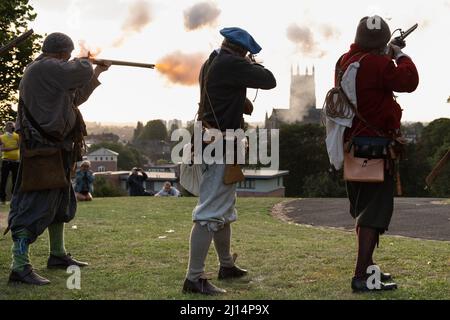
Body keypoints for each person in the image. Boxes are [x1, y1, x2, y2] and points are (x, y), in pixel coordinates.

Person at [5, 32, 110, 285]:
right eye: (69, 55)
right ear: (63, 53)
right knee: (32, 206)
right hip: (42, 150)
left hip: (57, 149)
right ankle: (19, 266)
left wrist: (97, 73)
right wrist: (87, 58)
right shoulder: (44, 68)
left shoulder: (53, 73)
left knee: (60, 203)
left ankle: (58, 255)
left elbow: (76, 97)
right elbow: (79, 70)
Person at [182, 27, 276, 295]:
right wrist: (247, 64)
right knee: (210, 212)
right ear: (242, 51)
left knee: (223, 210)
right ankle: (194, 278)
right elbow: (269, 80)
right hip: (220, 143)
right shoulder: (231, 63)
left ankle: (226, 266)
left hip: (215, 139)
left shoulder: (212, 61)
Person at [339, 16, 419, 292]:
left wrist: (385, 52)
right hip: (375, 147)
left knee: (364, 211)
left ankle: (369, 269)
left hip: (352, 145)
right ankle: (362, 276)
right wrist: (399, 54)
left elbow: (367, 77)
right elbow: (409, 80)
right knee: (373, 213)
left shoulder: (345, 61)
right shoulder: (379, 63)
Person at [0, 121, 20, 204]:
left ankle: (14, 198)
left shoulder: (17, 136)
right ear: (6, 127)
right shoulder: (2, 137)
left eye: (12, 126)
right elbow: (2, 149)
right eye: (9, 126)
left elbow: (19, 146)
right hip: (6, 161)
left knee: (15, 181)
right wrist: (14, 147)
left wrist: (9, 148)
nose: (11, 127)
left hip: (16, 162)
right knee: (3, 180)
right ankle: (2, 199)